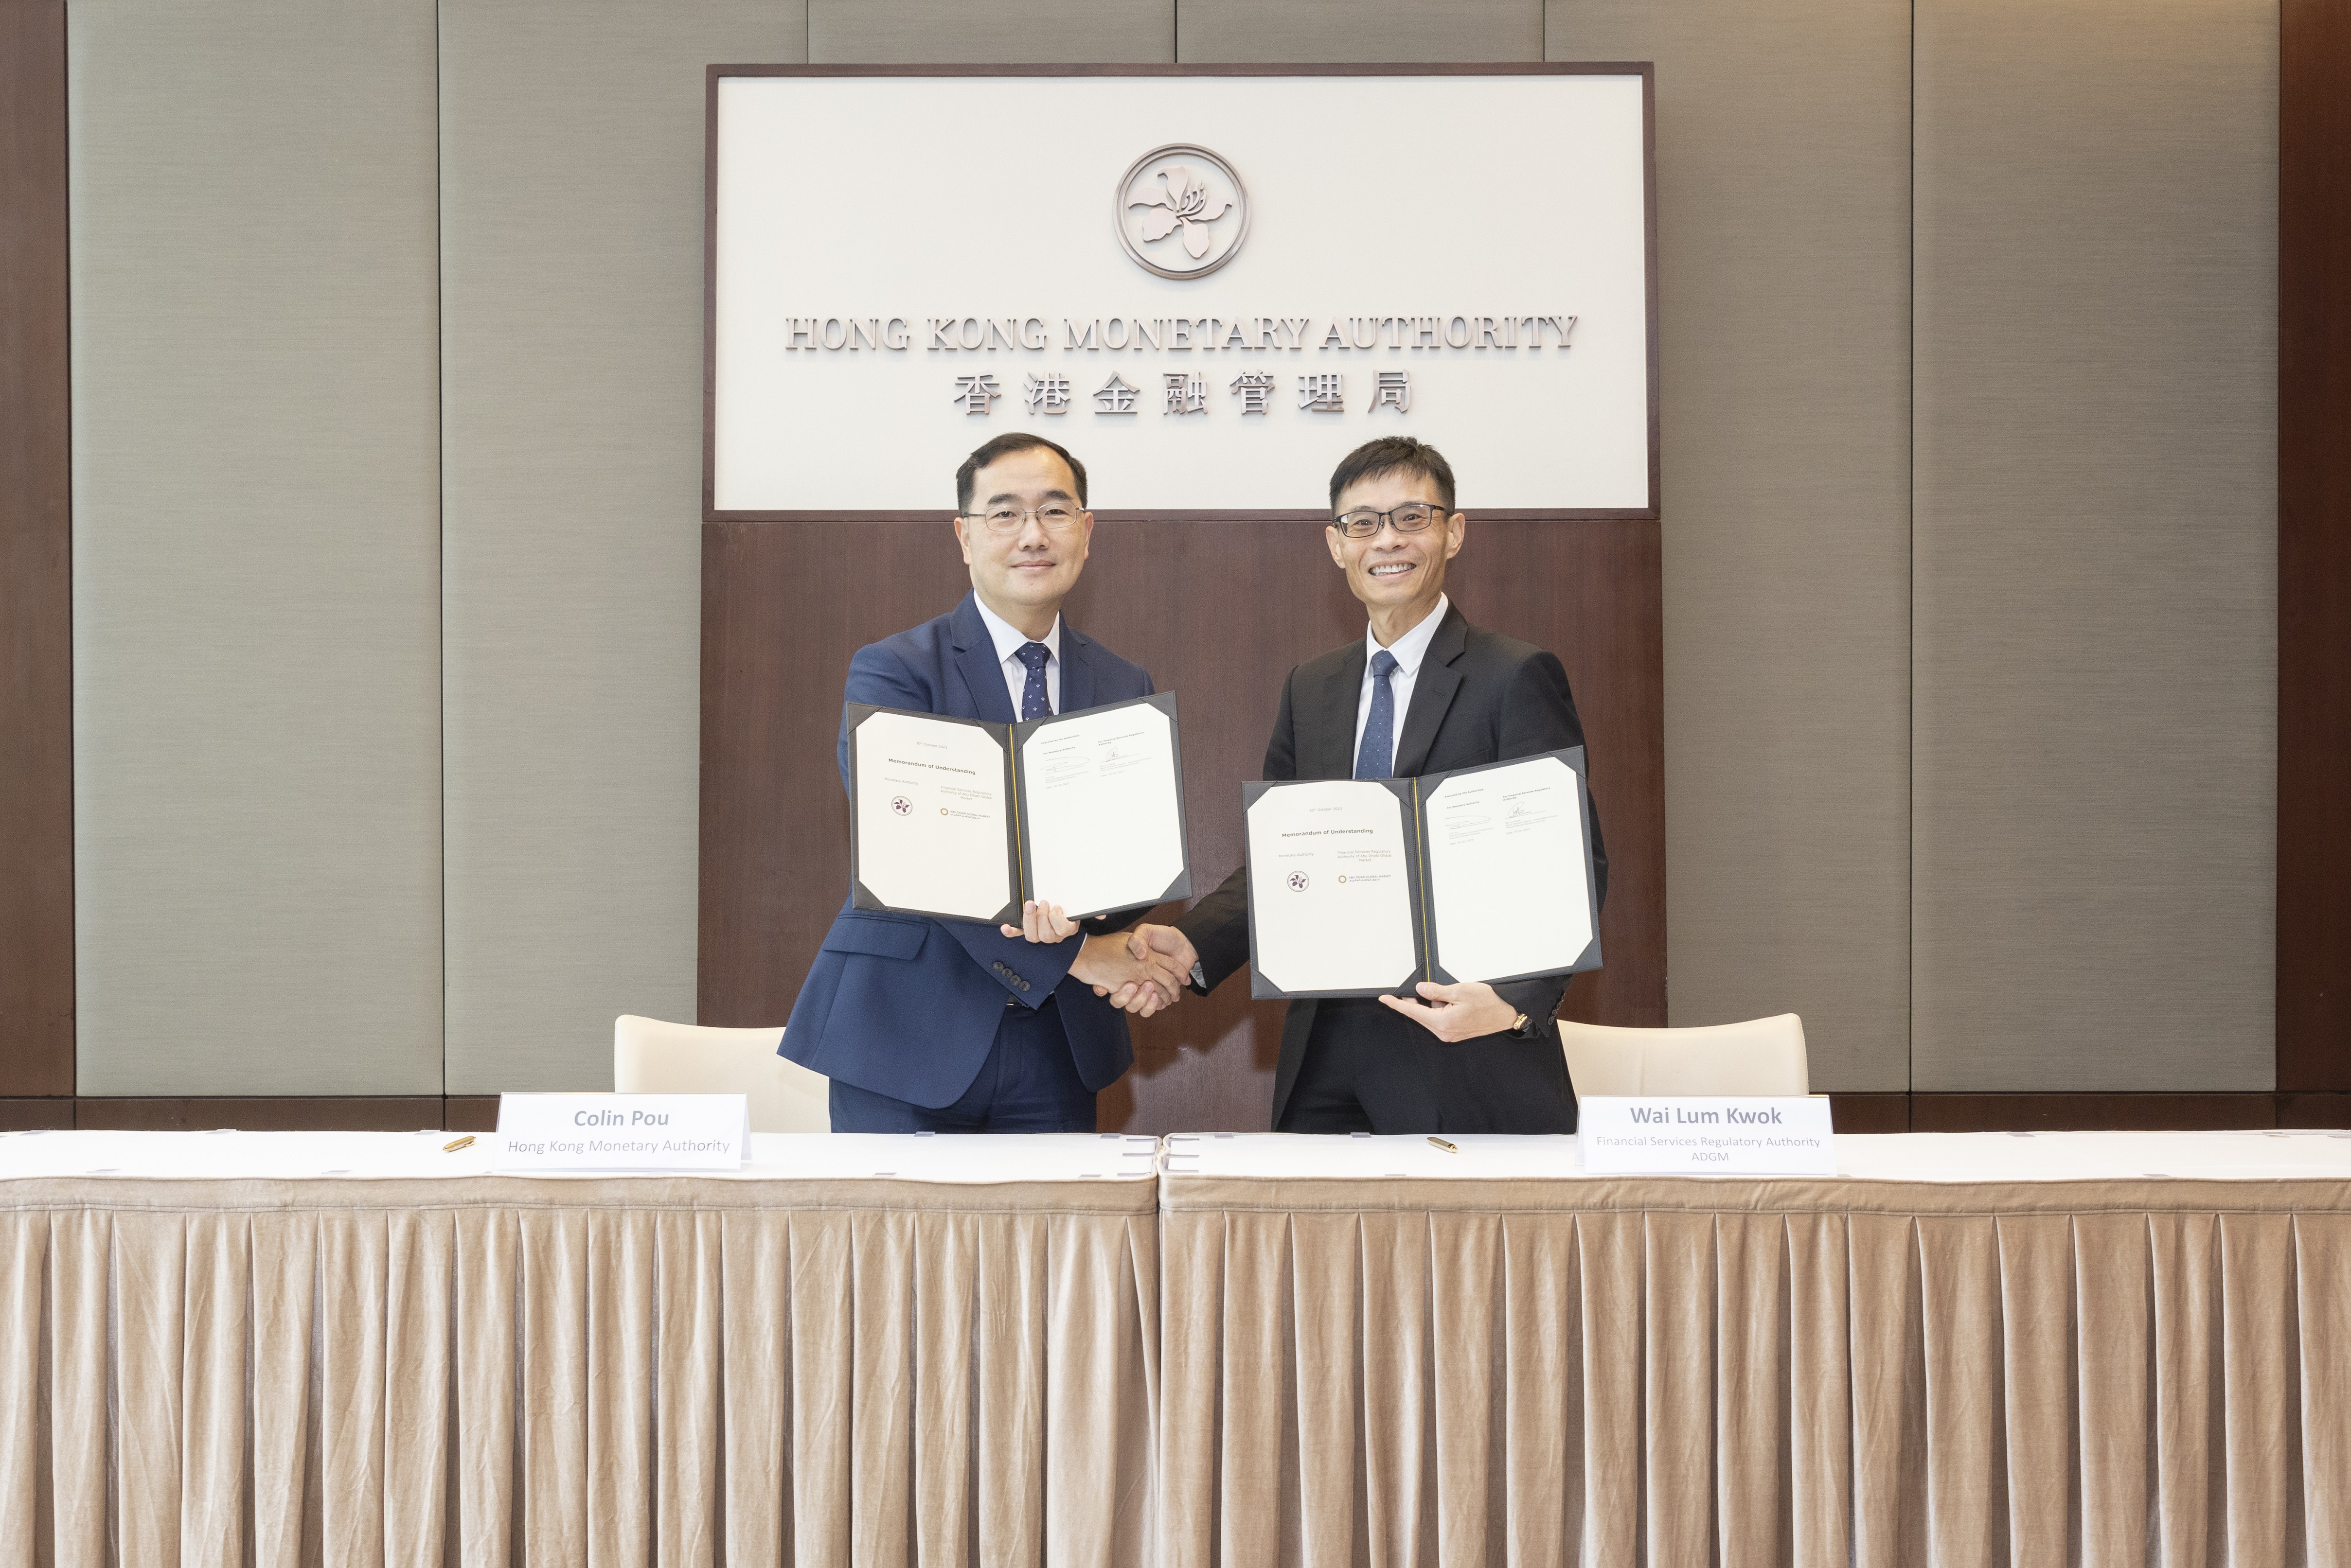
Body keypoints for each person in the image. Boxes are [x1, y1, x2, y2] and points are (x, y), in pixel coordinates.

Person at [1064, 436, 1607, 1133]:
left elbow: (1572, 864)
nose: (1387, 540)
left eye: (1412, 517)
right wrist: (1194, 944)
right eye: (1363, 522)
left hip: (1462, 1047)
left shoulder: (1513, 676)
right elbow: (1285, 857)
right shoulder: (1313, 686)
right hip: (1324, 1051)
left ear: (1454, 532)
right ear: (1335, 545)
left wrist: (1516, 1003)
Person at [783, 433, 1183, 1132]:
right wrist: (1087, 958)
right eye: (1004, 514)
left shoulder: (1125, 685)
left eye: (1055, 512)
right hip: (904, 1033)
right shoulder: (893, 671)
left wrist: (1132, 951)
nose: (1033, 534)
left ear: (1085, 532)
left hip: (1057, 1047)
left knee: (1047, 1245)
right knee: (900, 1246)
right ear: (964, 536)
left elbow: (1117, 861)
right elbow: (920, 855)